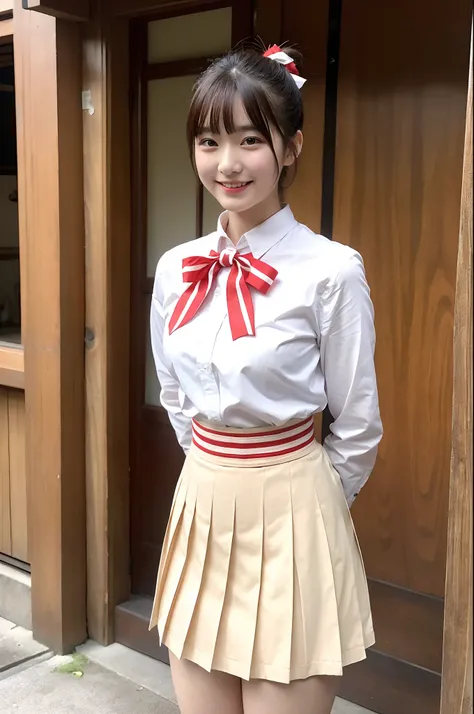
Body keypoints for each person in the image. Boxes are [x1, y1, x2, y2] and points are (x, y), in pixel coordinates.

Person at [149, 43, 383, 714]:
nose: (227, 163)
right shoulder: (176, 268)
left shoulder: (331, 271)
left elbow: (360, 422)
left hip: (296, 512)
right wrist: (213, 469)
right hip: (201, 506)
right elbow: (174, 393)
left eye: (251, 139)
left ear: (290, 147)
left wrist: (312, 503)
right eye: (209, 141)